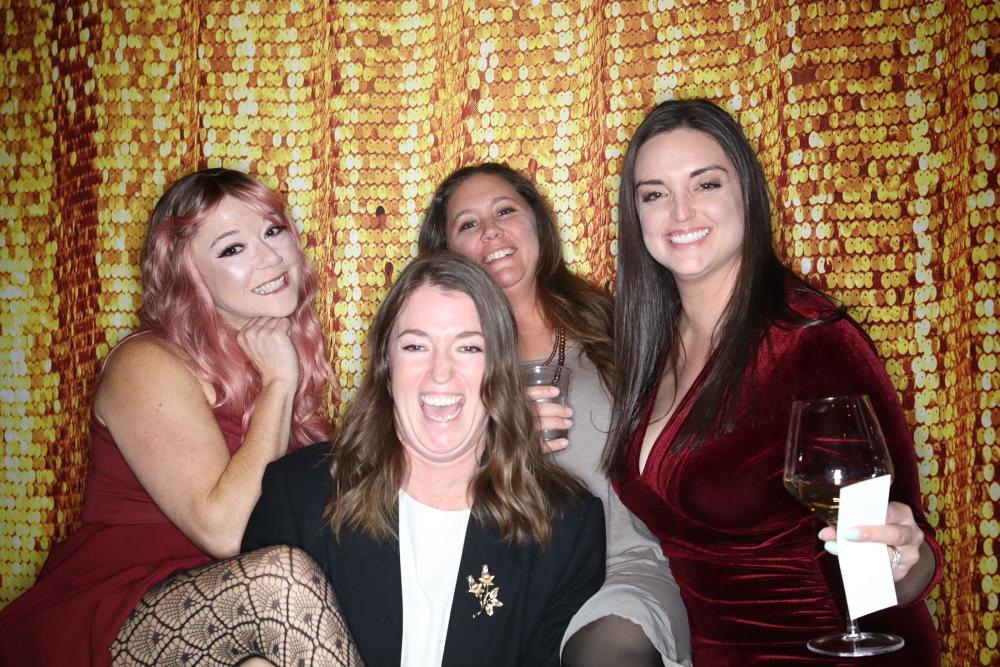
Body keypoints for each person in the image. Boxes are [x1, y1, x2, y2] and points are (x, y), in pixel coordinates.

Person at [606, 98, 943, 665]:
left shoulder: (811, 339)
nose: (680, 212)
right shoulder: (647, 345)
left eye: (705, 184)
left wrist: (906, 557)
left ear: (747, 193)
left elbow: (901, 554)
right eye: (655, 194)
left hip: (826, 649)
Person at [0, 168, 360, 666]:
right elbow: (226, 531)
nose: (271, 256)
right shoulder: (145, 363)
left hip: (230, 618)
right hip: (120, 610)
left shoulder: (275, 360)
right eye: (233, 249)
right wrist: (279, 383)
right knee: (283, 584)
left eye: (273, 230)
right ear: (187, 274)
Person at [241, 252, 606, 667]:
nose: (440, 373)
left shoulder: (566, 527)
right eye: (416, 346)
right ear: (386, 365)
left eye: (468, 347)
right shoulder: (299, 496)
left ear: (501, 370)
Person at [418, 163, 691, 667]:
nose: (491, 231)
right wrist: (492, 442)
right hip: (501, 578)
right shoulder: (438, 366)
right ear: (447, 252)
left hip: (622, 569)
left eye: (505, 211)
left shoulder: (621, 327)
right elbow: (411, 493)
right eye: (468, 223)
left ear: (538, 224)